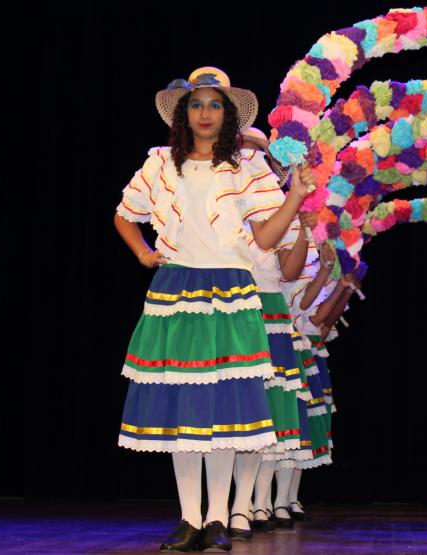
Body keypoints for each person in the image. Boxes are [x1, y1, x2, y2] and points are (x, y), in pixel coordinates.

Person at [114, 67, 315, 552]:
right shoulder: (162, 163)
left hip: (231, 288)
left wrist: (297, 197)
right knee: (185, 408)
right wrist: (143, 253)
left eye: (215, 105)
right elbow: (125, 214)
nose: (205, 113)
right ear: (185, 113)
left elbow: (266, 238)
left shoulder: (246, 168)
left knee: (227, 411)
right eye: (197, 105)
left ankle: (219, 518)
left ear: (227, 115)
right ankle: (188, 518)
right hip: (177, 287)